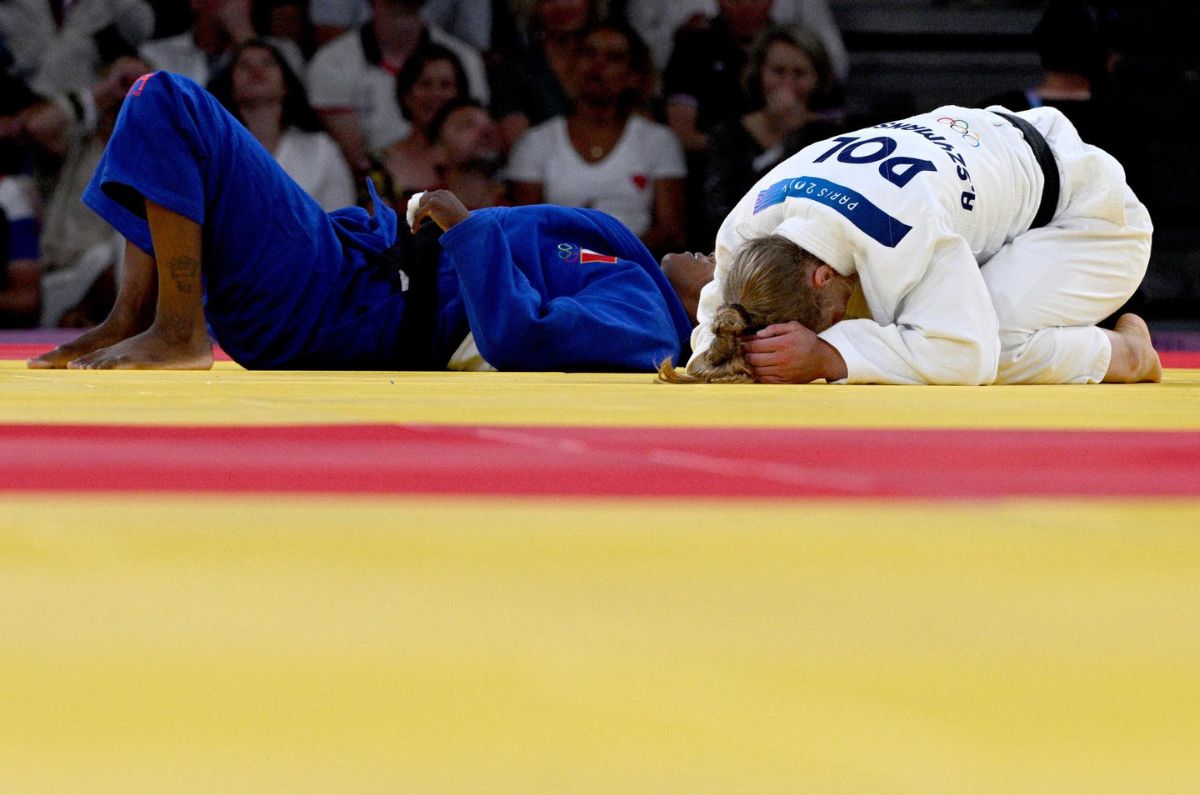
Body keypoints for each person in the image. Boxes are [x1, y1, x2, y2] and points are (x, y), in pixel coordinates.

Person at [28, 71, 691, 374]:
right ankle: (138, 317)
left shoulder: (647, 316)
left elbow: (527, 339)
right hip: (348, 276)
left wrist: (466, 228)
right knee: (157, 110)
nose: (708, 251)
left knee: (166, 101)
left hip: (345, 305)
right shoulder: (634, 286)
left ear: (721, 307)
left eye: (725, 263)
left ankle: (176, 329)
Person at [664, 103, 1162, 385]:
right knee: (891, 324)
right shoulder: (744, 228)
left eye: (830, 314)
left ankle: (1126, 354)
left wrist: (827, 357)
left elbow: (967, 355)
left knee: (994, 343)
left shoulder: (899, 231)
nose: (837, 321)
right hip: (1000, 152)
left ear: (821, 276)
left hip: (1090, 219)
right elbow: (719, 321)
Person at [505, 22, 686, 256]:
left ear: (633, 77)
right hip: (558, 269)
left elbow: (671, 230)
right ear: (571, 68)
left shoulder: (658, 141)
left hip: (636, 268)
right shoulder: (534, 142)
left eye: (613, 57)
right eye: (588, 53)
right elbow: (526, 228)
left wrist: (613, 259)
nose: (597, 65)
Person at [305, 0, 489, 175]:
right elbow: (360, 166)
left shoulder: (466, 60)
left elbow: (475, 145)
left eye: (445, 85)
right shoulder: (331, 63)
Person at [702, 24, 844, 243]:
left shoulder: (833, 138)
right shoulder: (728, 134)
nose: (787, 84)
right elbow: (719, 211)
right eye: (778, 72)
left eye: (800, 74)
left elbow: (827, 211)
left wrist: (794, 136)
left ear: (818, 78)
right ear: (759, 73)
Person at [207, 39, 355, 211]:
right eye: (244, 65)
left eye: (267, 63)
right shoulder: (215, 154)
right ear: (231, 87)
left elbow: (343, 223)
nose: (256, 71)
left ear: (285, 84)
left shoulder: (321, 149)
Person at [373, 43, 470, 205]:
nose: (435, 94)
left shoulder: (479, 159)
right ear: (406, 94)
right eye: (425, 84)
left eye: (445, 85)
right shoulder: (377, 163)